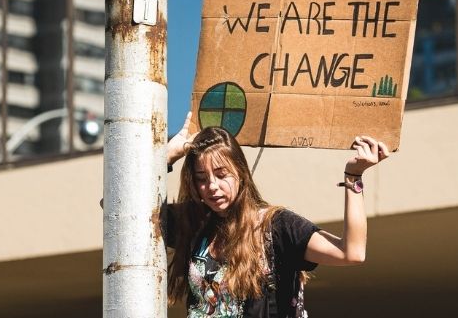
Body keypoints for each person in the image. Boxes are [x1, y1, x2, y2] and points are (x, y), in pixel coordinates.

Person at [165, 112, 390, 317]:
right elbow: (133, 215)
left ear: (241, 173)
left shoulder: (275, 226)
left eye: (222, 175)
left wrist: (353, 175)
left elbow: (351, 252)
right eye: (202, 178)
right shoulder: (193, 222)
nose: (212, 186)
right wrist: (166, 157)